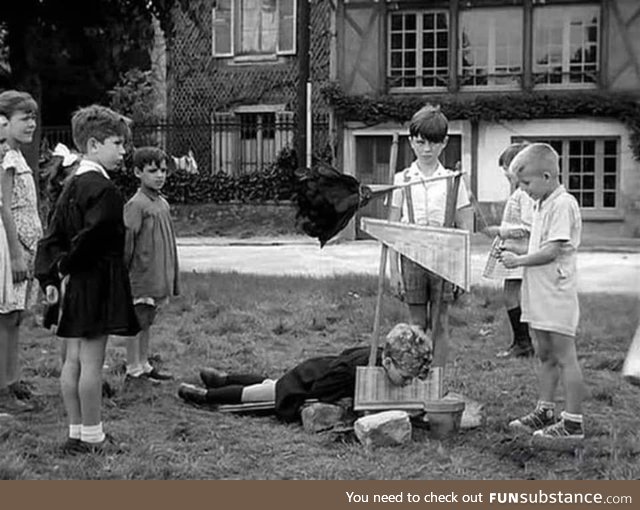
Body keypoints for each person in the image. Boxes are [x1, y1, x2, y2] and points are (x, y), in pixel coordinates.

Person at [35, 105, 140, 454]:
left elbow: (52, 236)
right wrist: (68, 265)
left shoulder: (71, 184)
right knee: (92, 363)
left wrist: (52, 274)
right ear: (93, 145)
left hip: (73, 285)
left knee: (73, 360)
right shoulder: (104, 189)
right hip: (95, 280)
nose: (123, 151)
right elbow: (92, 237)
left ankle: (76, 431)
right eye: (117, 143)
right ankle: (93, 436)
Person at [178, 323, 433, 423]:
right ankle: (206, 395)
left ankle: (223, 378)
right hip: (310, 380)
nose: (407, 383)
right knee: (262, 394)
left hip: (319, 367)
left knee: (270, 383)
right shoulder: (356, 371)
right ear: (387, 363)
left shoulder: (380, 359)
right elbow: (323, 388)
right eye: (406, 378)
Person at [500, 143, 584, 441]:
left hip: (557, 293)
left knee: (565, 356)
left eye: (526, 183)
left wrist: (518, 260)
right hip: (539, 293)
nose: (523, 190)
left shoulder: (563, 204)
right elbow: (538, 246)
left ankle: (573, 423)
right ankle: (545, 409)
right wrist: (513, 248)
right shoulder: (541, 203)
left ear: (547, 176)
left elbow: (551, 252)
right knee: (545, 354)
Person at [388, 104, 472, 335]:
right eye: (421, 142)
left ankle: (437, 371)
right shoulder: (402, 179)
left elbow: (464, 228)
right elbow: (392, 229)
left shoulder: (453, 180)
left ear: (444, 142)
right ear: (411, 142)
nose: (427, 149)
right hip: (411, 257)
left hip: (443, 258)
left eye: (434, 142)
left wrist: (461, 271)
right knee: (417, 324)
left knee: (440, 323)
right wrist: (393, 272)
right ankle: (418, 369)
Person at [0, 91, 44, 415]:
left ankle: (13, 379)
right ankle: (4, 385)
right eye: (23, 118)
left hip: (29, 246)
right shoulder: (5, 158)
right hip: (11, 246)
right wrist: (15, 253)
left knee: (16, 317)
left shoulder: (18, 154)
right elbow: (4, 208)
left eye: (33, 117)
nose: (31, 123)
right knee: (6, 315)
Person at [123, 147, 179, 383]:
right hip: (141, 273)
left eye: (163, 170)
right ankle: (132, 366)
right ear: (138, 172)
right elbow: (128, 241)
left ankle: (144, 363)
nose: (160, 176)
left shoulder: (162, 203)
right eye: (153, 170)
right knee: (137, 319)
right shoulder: (136, 204)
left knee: (147, 319)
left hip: (157, 272)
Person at [481, 142, 535, 358]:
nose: (504, 173)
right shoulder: (519, 193)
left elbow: (528, 228)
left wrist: (500, 231)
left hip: (520, 252)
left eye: (506, 168)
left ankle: (524, 342)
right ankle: (522, 341)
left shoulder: (525, 194)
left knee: (512, 295)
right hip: (513, 250)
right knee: (510, 295)